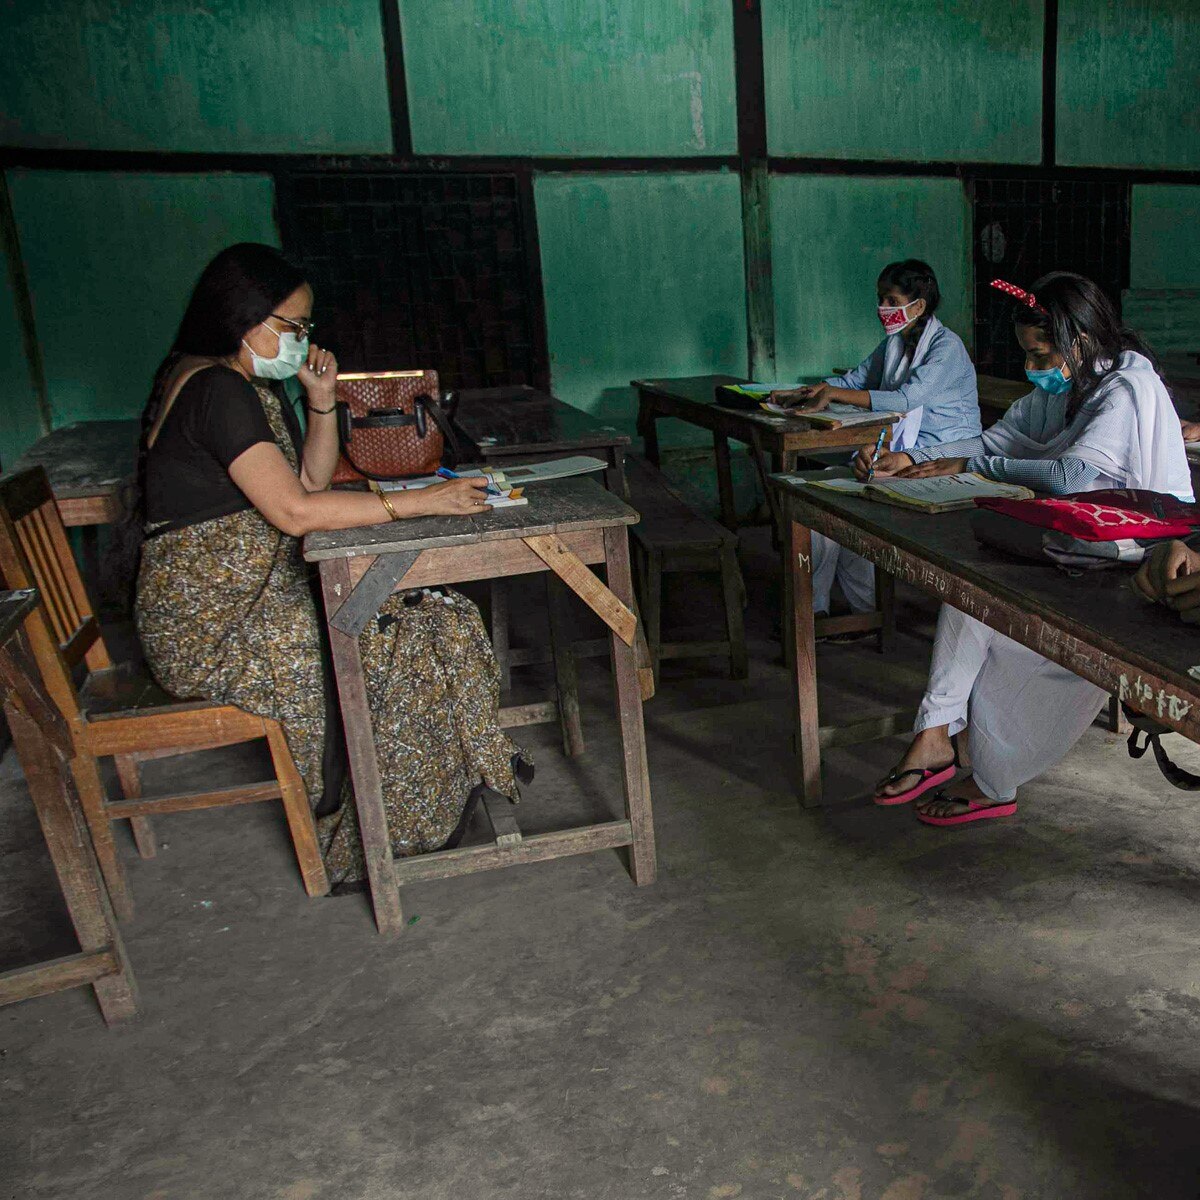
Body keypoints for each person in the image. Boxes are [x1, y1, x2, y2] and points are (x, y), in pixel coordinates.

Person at [135, 243, 527, 887]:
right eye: (291, 326)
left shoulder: (230, 381)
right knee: (390, 634)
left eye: (305, 328)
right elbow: (294, 513)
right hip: (213, 626)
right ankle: (380, 826)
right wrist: (419, 501)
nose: (301, 340)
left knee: (431, 614)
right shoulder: (215, 388)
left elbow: (309, 483)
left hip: (243, 602)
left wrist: (319, 401)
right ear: (244, 316)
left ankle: (443, 786)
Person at [864, 271, 1193, 825]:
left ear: (1081, 342)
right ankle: (936, 734)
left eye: (1042, 354)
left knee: (998, 618)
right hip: (1076, 546)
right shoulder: (1069, 388)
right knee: (968, 591)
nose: (1034, 368)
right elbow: (999, 440)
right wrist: (918, 462)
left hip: (1134, 561)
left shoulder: (1126, 388)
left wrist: (971, 465)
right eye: (1027, 355)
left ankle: (989, 775)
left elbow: (1072, 474)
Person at [771, 259, 981, 621]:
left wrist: (834, 394)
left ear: (918, 305)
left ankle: (832, 613)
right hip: (903, 455)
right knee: (822, 501)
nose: (883, 308)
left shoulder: (947, 348)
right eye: (880, 299)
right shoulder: (896, 343)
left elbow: (905, 400)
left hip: (941, 461)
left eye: (891, 299)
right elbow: (855, 381)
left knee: (831, 506)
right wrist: (807, 392)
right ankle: (836, 613)